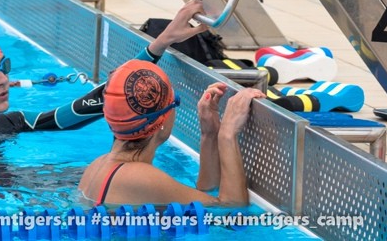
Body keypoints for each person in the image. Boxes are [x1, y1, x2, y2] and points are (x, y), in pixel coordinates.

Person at [0, 0, 209, 145]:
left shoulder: (9, 124)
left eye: (3, 67)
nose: (3, 79)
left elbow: (82, 108)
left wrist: (160, 42)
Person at [77, 62, 261, 207]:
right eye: (175, 102)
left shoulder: (97, 166)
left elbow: (208, 197)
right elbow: (231, 210)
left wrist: (209, 134)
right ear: (162, 120)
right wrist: (227, 135)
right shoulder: (139, 177)